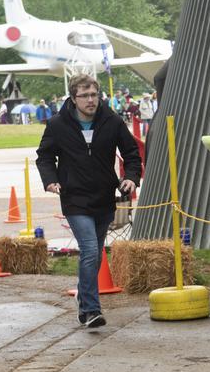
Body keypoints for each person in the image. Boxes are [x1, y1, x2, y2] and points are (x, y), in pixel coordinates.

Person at [36, 73, 142, 330]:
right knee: (90, 250)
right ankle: (90, 310)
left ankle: (83, 297)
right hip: (74, 198)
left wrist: (131, 177)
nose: (91, 100)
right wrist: (51, 180)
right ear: (73, 98)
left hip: (104, 197)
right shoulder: (58, 124)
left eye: (94, 94)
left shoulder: (112, 121)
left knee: (95, 255)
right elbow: (45, 157)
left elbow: (131, 153)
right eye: (84, 96)